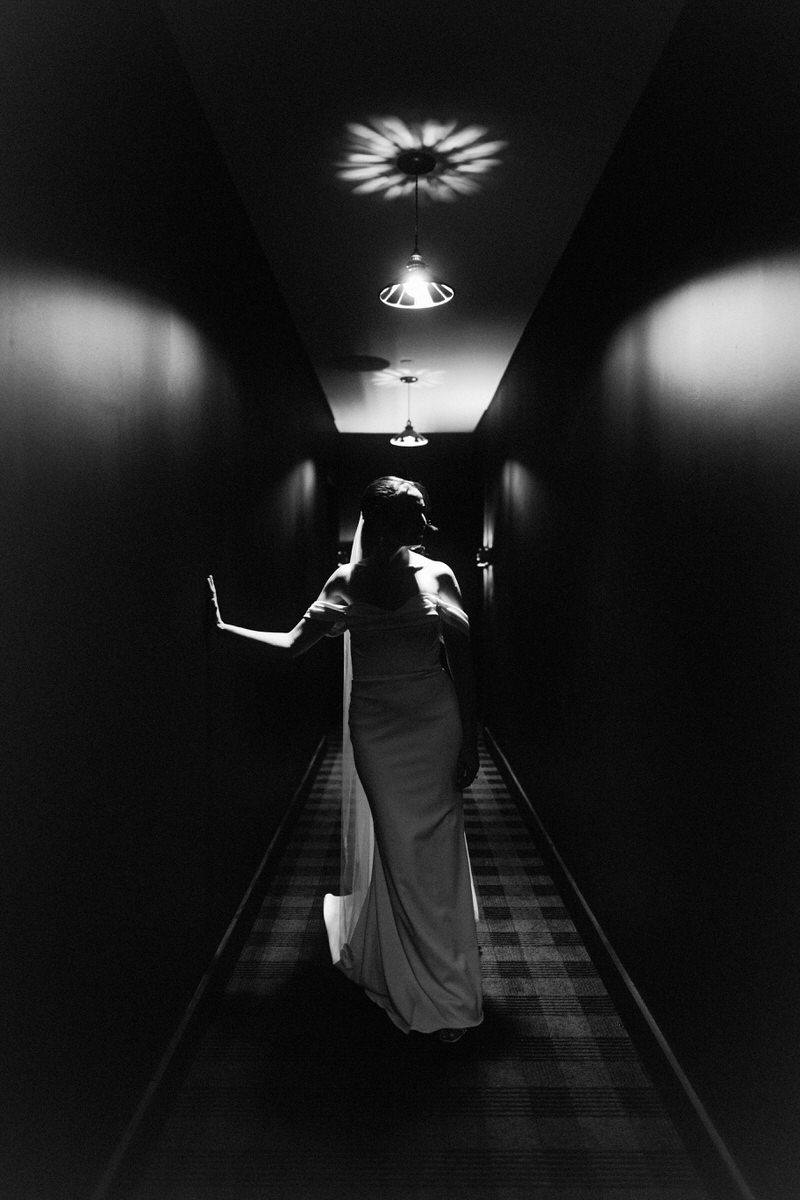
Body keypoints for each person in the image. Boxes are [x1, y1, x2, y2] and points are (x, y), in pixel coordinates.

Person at [207, 476, 483, 1042]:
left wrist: (471, 737)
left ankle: (450, 983)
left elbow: (464, 661)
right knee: (400, 847)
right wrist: (224, 628)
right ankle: (412, 973)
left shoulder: (439, 575)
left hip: (435, 720)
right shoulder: (345, 581)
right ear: (380, 522)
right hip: (378, 728)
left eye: (421, 516)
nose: (420, 526)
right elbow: (292, 644)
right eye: (410, 516)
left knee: (438, 847)